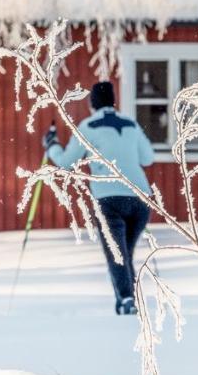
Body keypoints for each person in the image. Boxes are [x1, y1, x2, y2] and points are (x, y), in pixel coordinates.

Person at [43, 81, 155, 315]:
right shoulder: (131, 124)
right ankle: (128, 301)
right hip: (140, 197)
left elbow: (66, 162)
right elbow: (147, 158)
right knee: (124, 255)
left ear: (92, 102)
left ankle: (126, 300)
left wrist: (51, 146)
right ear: (113, 100)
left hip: (108, 198)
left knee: (118, 255)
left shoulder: (88, 126)